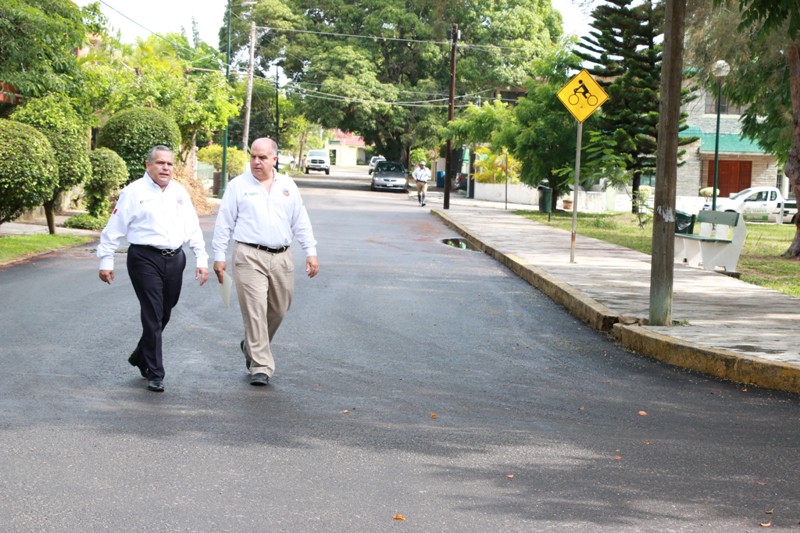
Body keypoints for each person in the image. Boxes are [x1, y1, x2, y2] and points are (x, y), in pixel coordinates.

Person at [97, 145, 209, 393]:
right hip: (144, 258)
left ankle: (140, 355)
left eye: (169, 164)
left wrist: (201, 258)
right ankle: (155, 372)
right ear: (148, 165)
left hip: (175, 258)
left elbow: (192, 227)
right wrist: (106, 260)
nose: (165, 168)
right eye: (160, 163)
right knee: (152, 312)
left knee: (164, 313)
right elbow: (114, 227)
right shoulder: (133, 192)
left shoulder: (180, 193)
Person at [212, 137, 319, 387]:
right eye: (253, 157)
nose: (256, 162)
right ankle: (261, 365)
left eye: (262, 157)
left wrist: (311, 251)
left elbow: (300, 220)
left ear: (275, 159)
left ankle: (251, 343)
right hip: (249, 255)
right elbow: (224, 223)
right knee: (255, 310)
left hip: (282, 256)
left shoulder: (288, 186)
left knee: (279, 309)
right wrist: (219, 257)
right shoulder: (238, 186)